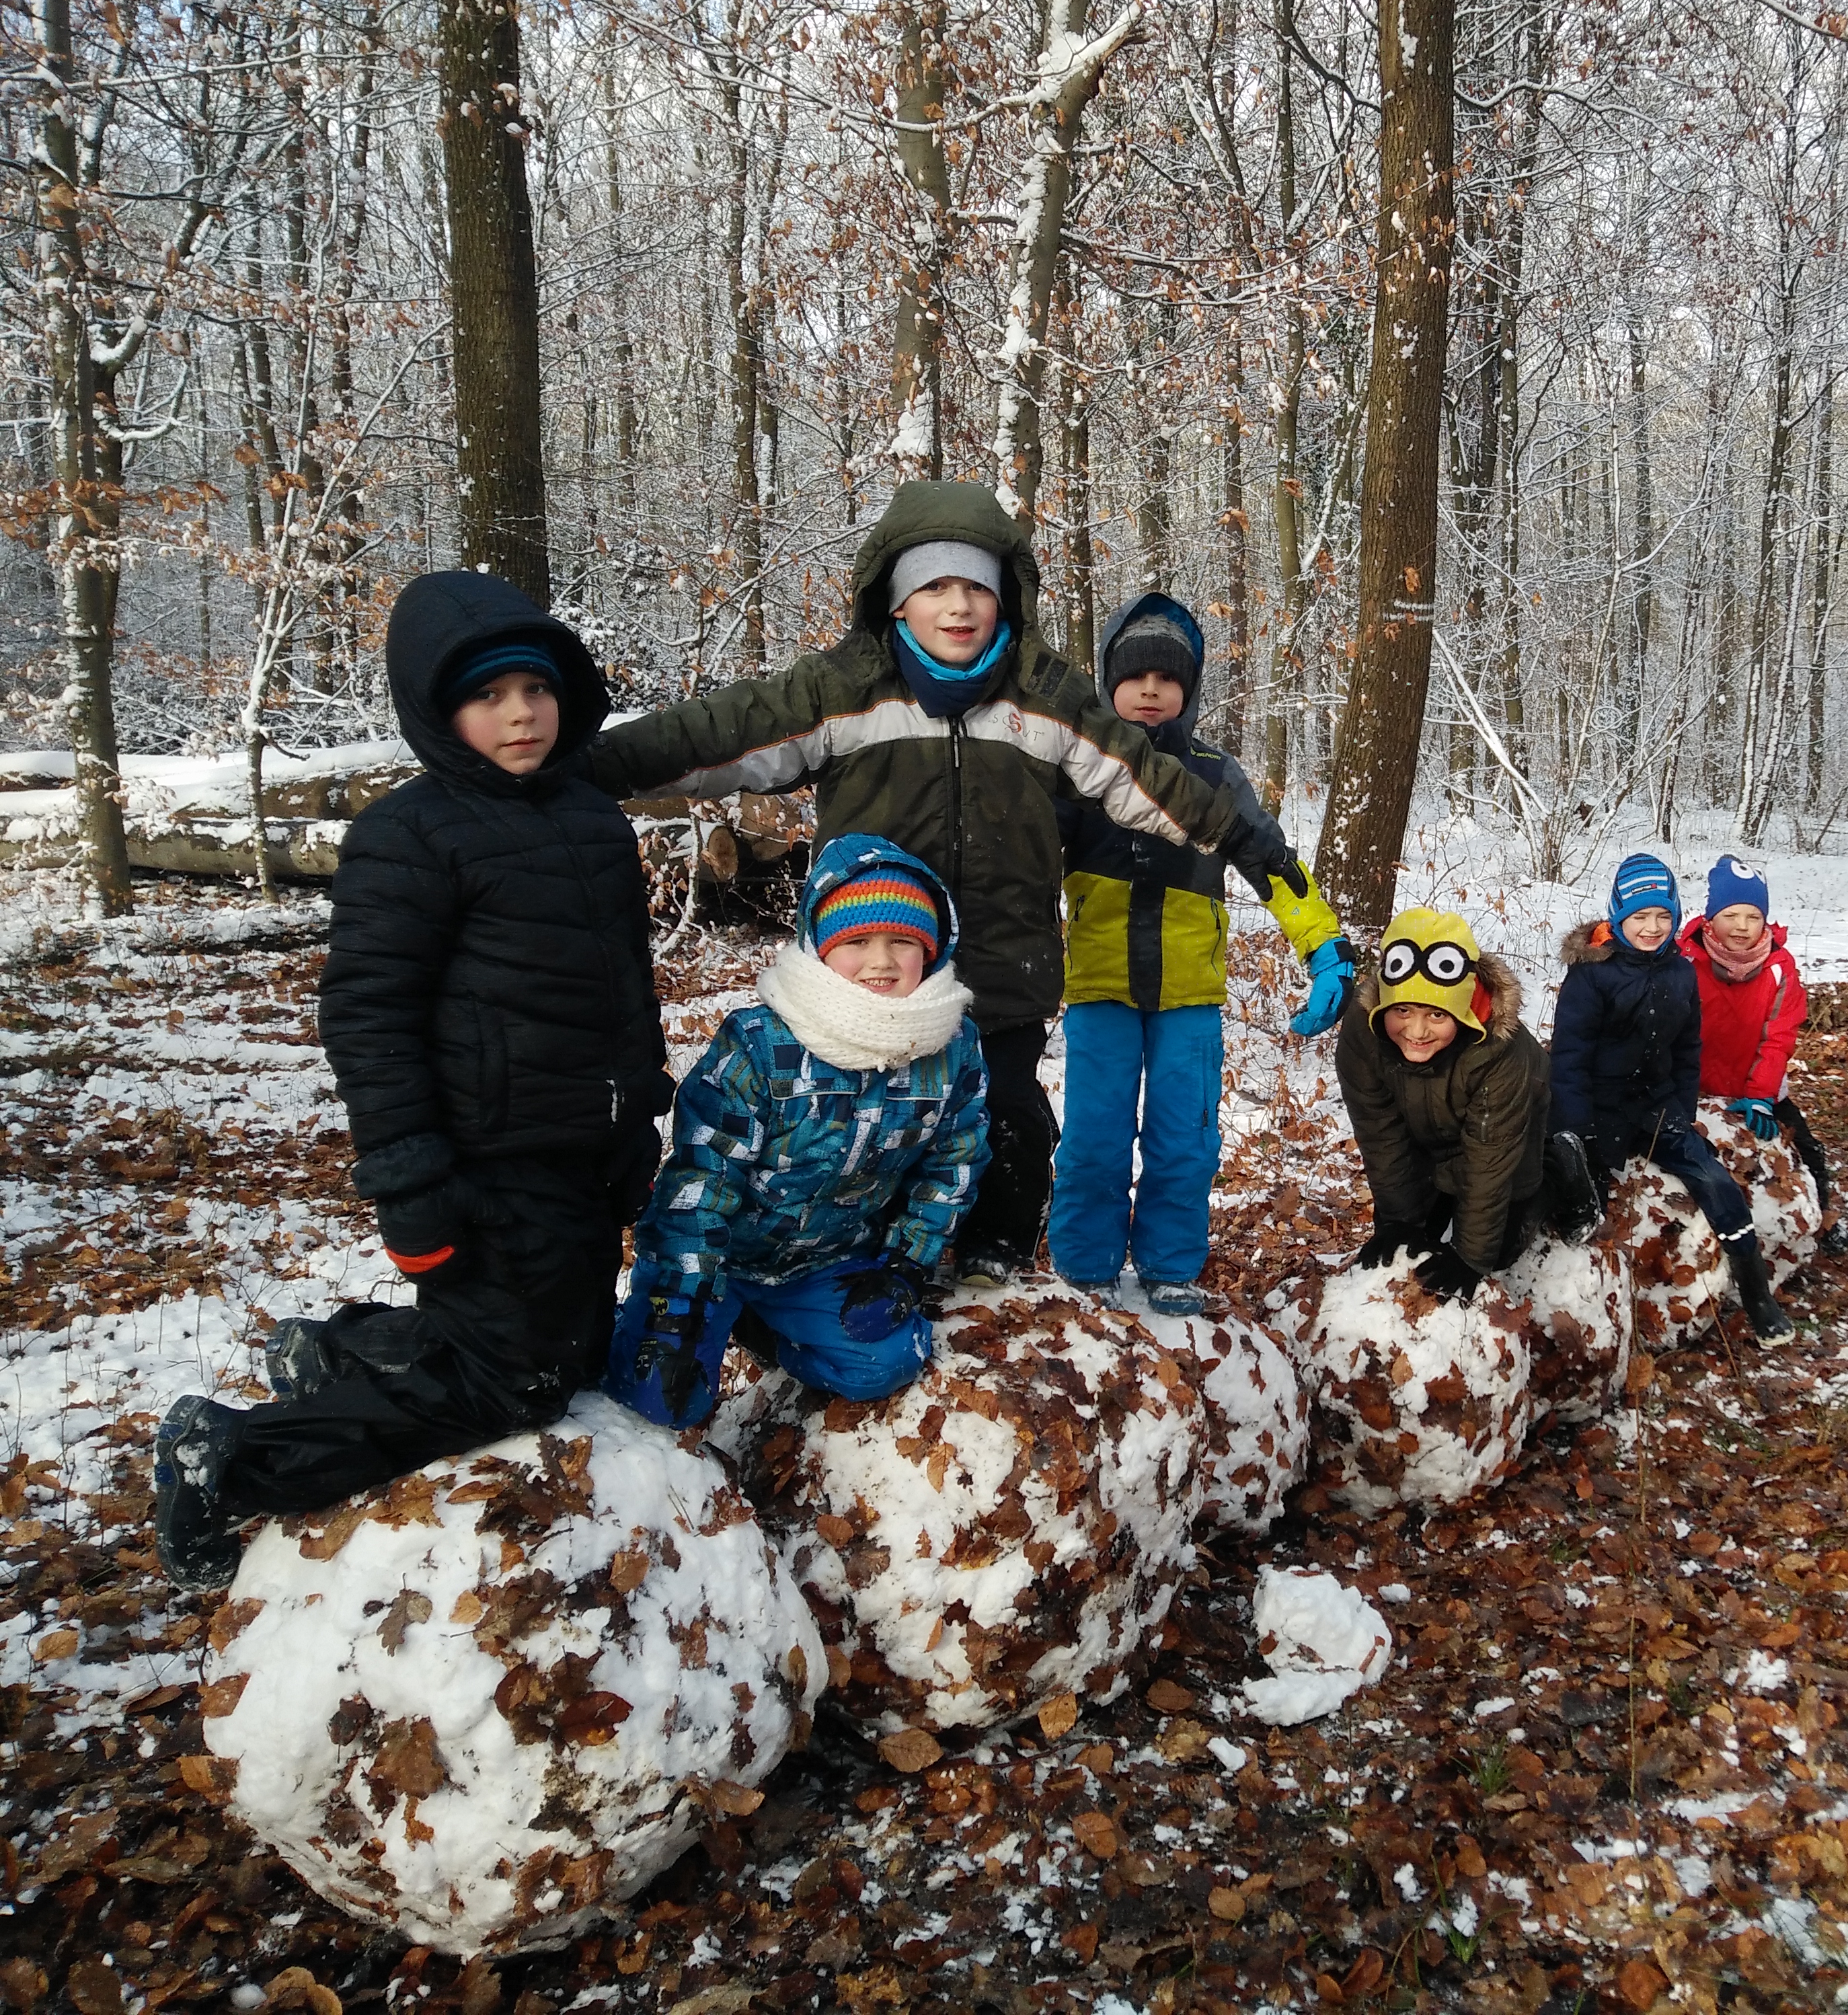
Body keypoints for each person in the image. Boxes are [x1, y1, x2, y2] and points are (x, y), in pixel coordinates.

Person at [583, 482, 1302, 1280]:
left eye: (976, 587)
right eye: (933, 586)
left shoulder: (1045, 696)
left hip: (1004, 963)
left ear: (1005, 599)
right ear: (893, 602)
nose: (957, 607)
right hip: (872, 961)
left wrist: (1246, 841)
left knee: (1005, 1118)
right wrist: (583, 767)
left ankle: (994, 1263)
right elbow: (717, 734)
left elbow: (1140, 777)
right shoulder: (843, 690)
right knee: (865, 1122)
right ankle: (854, 1263)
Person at [151, 574, 673, 1587]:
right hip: (481, 1154)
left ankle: (343, 1353)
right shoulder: (412, 835)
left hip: (581, 1142)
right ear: (439, 715)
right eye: (488, 697)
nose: (520, 714)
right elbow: (368, 1016)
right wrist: (410, 1181)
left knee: (571, 1350)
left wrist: (636, 1116)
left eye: (535, 688)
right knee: (512, 1385)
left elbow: (622, 988)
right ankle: (227, 1460)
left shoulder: (592, 819)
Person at [605, 836, 988, 1426]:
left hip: (825, 1259)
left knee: (886, 1363)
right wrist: (682, 1304)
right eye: (857, 942)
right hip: (716, 1260)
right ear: (821, 948)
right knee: (659, 1402)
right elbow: (703, 1177)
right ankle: (686, 1320)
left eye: (902, 942)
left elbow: (954, 1163)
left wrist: (908, 1264)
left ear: (932, 950)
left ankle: (766, 1331)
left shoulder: (952, 1047)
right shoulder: (762, 1043)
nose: (881, 962)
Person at [1048, 595, 1355, 1313]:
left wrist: (1324, 948)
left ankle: (1169, 1264)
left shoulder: (1216, 775)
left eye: (1167, 677)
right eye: (1133, 675)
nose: (1150, 689)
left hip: (1190, 993)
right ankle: (1085, 1265)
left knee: (1182, 1137)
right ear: (1106, 681)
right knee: (1094, 1135)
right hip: (1099, 987)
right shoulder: (1076, 770)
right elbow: (1020, 859)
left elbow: (1272, 862)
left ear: (1189, 688)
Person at [1551, 853, 1789, 1344]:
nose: (1653, 927)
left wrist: (1680, 1112)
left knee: (1715, 1182)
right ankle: (1590, 1312)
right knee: (1579, 1202)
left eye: (1663, 916)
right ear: (1619, 917)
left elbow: (1687, 1050)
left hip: (1657, 1105)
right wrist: (1581, 1129)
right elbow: (1570, 1058)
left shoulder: (1681, 973)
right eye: (1640, 917)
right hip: (1602, 1107)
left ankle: (1756, 1290)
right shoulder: (1593, 976)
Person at [1336, 908, 1597, 1303]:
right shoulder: (1364, 1032)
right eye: (1402, 1010)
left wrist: (1471, 1257)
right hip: (1431, 1134)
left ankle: (1561, 1163)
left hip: (1506, 1136)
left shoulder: (1501, 1051)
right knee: (1414, 1237)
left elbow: (1489, 1159)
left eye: (1437, 1014)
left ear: (1462, 1012)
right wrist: (1398, 1221)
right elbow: (1379, 1132)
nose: (1417, 1031)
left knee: (1500, 1248)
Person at [1679, 853, 1848, 1256]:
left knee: (1807, 1148)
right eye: (1731, 914)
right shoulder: (1684, 960)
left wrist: (1761, 1094)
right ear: (1711, 917)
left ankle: (1823, 1216)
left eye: (1753, 916)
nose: (1741, 926)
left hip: (1756, 1085)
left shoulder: (1779, 969)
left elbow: (1778, 1037)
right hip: (1695, 1084)